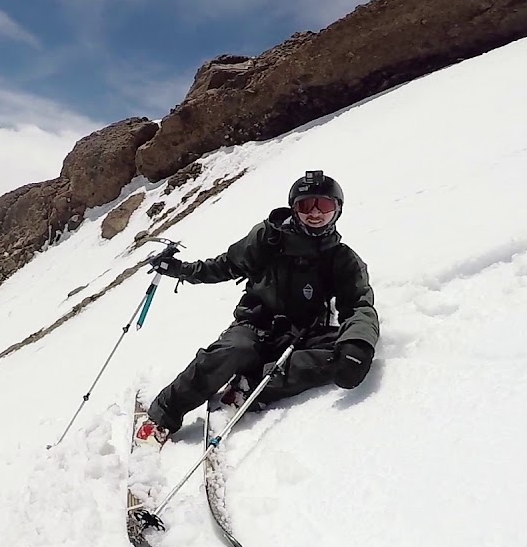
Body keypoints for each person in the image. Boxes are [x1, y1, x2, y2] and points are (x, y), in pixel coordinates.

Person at [140, 170, 380, 443]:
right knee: (230, 351)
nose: (315, 213)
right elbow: (226, 265)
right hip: (256, 324)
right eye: (305, 205)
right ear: (294, 208)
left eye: (324, 205)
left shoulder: (342, 258)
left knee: (339, 354)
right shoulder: (269, 238)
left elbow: (359, 304)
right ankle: (163, 415)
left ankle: (252, 383)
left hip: (303, 333)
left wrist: (358, 344)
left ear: (337, 210)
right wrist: (182, 270)